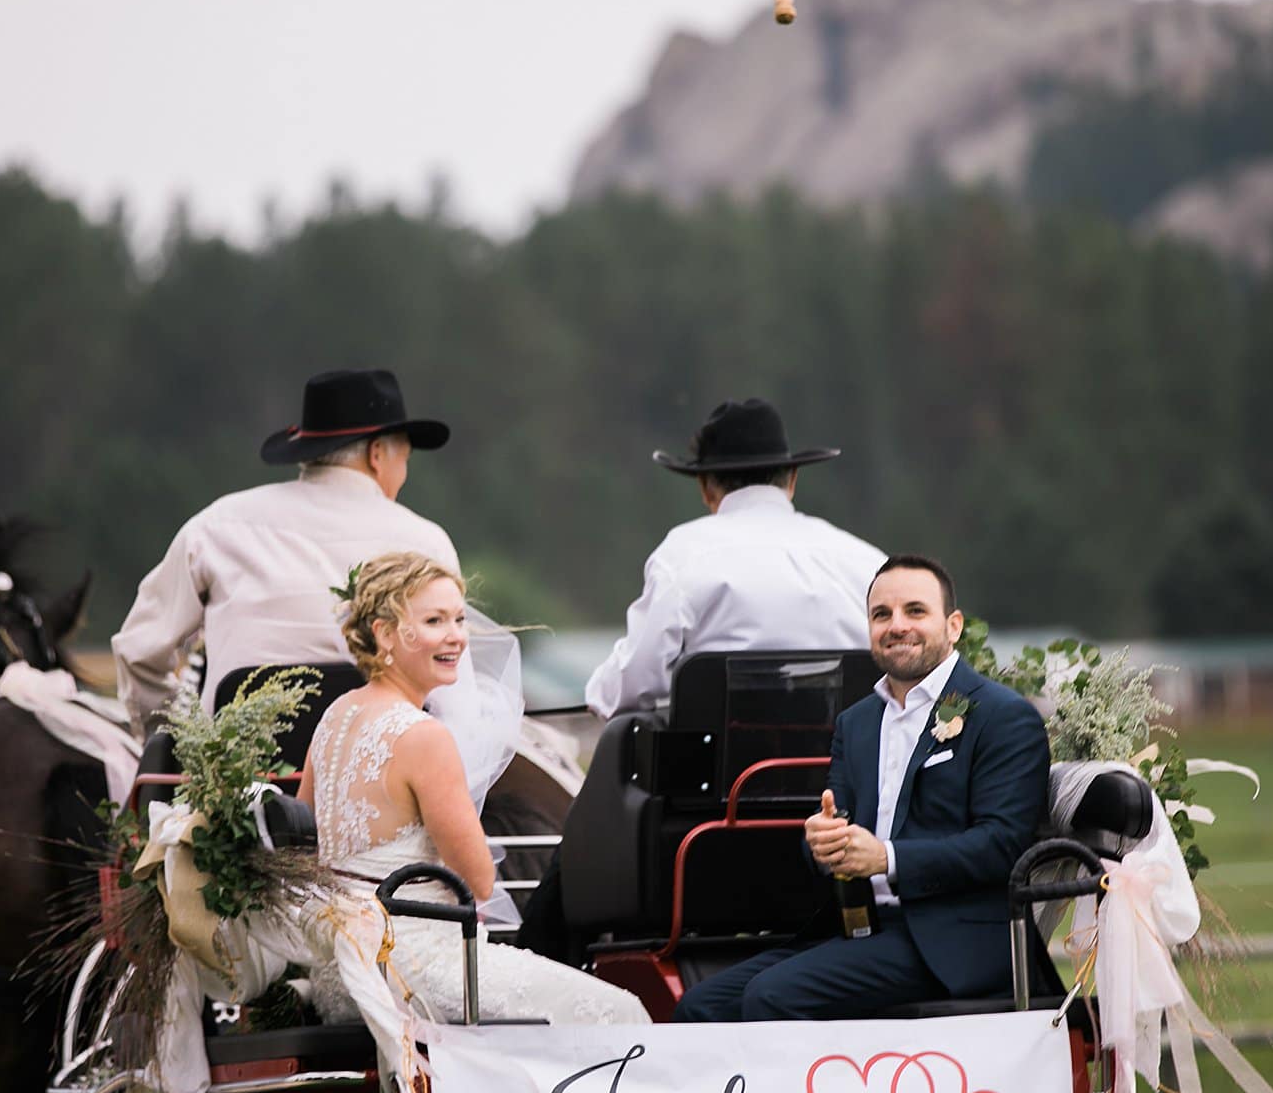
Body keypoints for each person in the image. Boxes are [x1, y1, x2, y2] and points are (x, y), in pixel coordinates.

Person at [672, 554, 1050, 1021]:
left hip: (952, 942)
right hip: (859, 926)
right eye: (881, 615)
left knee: (771, 997)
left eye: (915, 611)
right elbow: (838, 829)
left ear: (953, 626)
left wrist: (886, 858)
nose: (897, 626)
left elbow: (1003, 846)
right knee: (699, 1006)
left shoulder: (1001, 715)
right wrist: (822, 842)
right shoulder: (858, 721)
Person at [299, 552, 650, 1026]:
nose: (456, 637)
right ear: (383, 633)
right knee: (622, 1012)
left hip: (341, 976)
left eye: (459, 619)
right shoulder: (424, 736)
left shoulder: (334, 717)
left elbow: (304, 838)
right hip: (412, 972)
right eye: (434, 620)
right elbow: (479, 880)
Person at [111, 368, 457, 738]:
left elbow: (138, 651)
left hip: (231, 776)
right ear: (376, 455)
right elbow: (449, 680)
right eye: (403, 459)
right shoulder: (426, 544)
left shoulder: (215, 528)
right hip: (387, 772)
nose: (402, 474)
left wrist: (179, 740)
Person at [583, 398, 885, 719]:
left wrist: (598, 694)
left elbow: (635, 679)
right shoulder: (867, 562)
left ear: (705, 487)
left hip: (720, 768)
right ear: (792, 479)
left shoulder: (684, 554)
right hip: (843, 765)